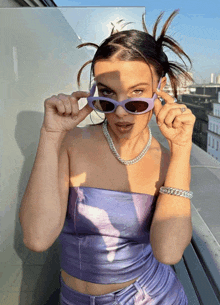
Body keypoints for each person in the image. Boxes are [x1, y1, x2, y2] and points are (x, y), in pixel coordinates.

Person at [19, 9, 196, 305]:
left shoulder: (167, 159)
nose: (121, 112)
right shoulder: (71, 143)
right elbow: (37, 238)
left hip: (149, 297)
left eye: (137, 95)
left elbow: (169, 252)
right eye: (106, 96)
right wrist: (50, 137)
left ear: (159, 88)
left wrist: (181, 150)